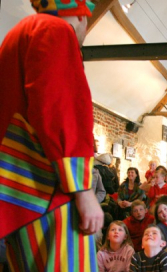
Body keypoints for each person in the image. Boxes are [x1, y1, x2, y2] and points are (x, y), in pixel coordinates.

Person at [0, 1, 104, 270]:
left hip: (17, 194)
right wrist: (82, 189)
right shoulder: (55, 29)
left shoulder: (15, 35)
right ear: (82, 16)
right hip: (48, 190)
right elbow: (60, 109)